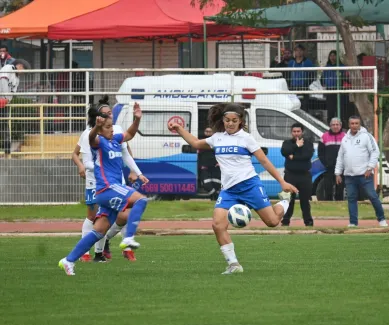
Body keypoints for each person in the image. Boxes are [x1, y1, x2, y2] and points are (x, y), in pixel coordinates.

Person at [168, 103, 298, 275]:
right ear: (223, 120)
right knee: (217, 224)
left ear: (240, 121)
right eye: (227, 120)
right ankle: (234, 264)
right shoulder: (217, 138)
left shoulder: (246, 138)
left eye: (234, 120)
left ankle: (285, 200)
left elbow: (264, 161)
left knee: (273, 222)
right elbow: (196, 143)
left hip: (250, 185)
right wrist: (178, 128)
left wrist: (282, 182)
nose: (230, 123)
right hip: (229, 190)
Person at [59, 101, 148, 276]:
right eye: (108, 127)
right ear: (100, 128)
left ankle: (68, 260)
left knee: (98, 231)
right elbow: (91, 138)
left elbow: (129, 134)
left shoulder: (114, 139)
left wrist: (137, 119)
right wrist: (96, 128)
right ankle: (128, 238)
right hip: (107, 188)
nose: (112, 129)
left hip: (109, 190)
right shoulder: (98, 141)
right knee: (141, 200)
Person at [335, 115, 388, 227]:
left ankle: (382, 219)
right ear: (349, 125)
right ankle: (353, 222)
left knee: (372, 196)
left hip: (364, 175)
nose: (354, 126)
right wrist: (338, 173)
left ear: (359, 124)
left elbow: (375, 152)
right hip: (349, 176)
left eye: (356, 123)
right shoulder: (345, 139)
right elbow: (340, 157)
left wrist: (370, 167)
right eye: (352, 123)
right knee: (351, 198)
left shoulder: (367, 136)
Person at [280, 123, 314, 227]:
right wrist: (296, 146)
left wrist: (293, 157)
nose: (296, 133)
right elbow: (284, 152)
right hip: (290, 176)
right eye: (294, 131)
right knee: (288, 200)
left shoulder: (308, 143)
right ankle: (285, 221)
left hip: (305, 176)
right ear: (291, 132)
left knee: (305, 201)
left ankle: (308, 222)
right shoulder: (287, 143)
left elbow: (307, 156)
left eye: (298, 131)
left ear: (302, 132)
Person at [0, 59, 30, 157]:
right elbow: (3, 82)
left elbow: (13, 92)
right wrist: (5, 97)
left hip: (5, 102)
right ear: (20, 65)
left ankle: (7, 151)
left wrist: (7, 100)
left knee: (5, 125)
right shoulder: (8, 68)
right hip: (2, 98)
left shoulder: (17, 78)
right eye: (24, 69)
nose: (23, 72)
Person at [318, 118, 346, 201]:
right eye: (333, 125)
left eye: (337, 124)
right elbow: (320, 153)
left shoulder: (346, 136)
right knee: (328, 188)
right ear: (330, 126)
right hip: (328, 168)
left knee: (340, 189)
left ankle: (339, 204)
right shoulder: (324, 136)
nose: (335, 126)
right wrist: (326, 164)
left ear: (340, 126)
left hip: (342, 168)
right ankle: (328, 204)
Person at [288, 44, 315, 111]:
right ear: (294, 52)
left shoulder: (308, 62)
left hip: (304, 89)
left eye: (300, 50)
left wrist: (306, 84)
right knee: (293, 107)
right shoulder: (291, 63)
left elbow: (312, 75)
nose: (298, 52)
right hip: (293, 89)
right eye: (297, 50)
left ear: (303, 51)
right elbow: (287, 74)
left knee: (304, 108)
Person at [198, 127, 221, 200]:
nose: (208, 133)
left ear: (213, 133)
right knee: (206, 184)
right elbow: (199, 156)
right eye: (206, 131)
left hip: (215, 166)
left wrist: (219, 163)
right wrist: (201, 165)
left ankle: (214, 198)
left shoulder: (217, 142)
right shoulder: (200, 142)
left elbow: (220, 153)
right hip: (205, 166)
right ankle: (215, 196)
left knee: (217, 183)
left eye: (209, 131)